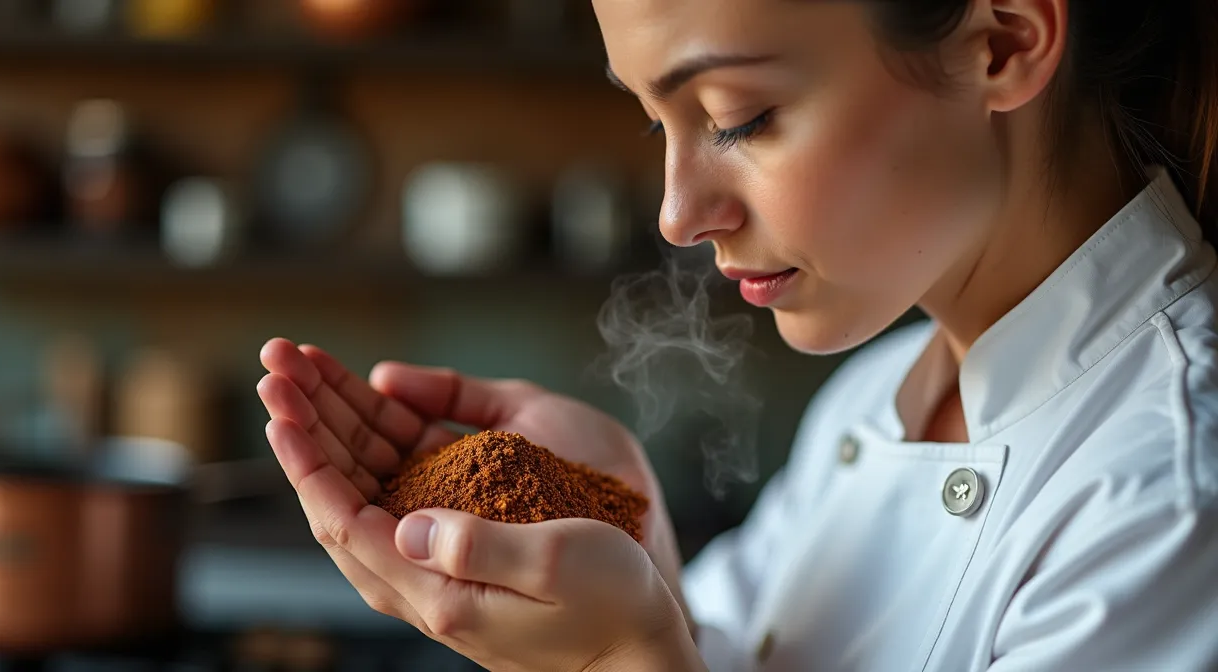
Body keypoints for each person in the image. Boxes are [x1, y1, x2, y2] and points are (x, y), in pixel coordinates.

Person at [256, 0, 1218, 669]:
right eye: (654, 124)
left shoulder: (1171, 498)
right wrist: (635, 551)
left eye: (740, 118)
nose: (677, 214)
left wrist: (613, 661)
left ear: (1001, 44)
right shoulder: (874, 398)